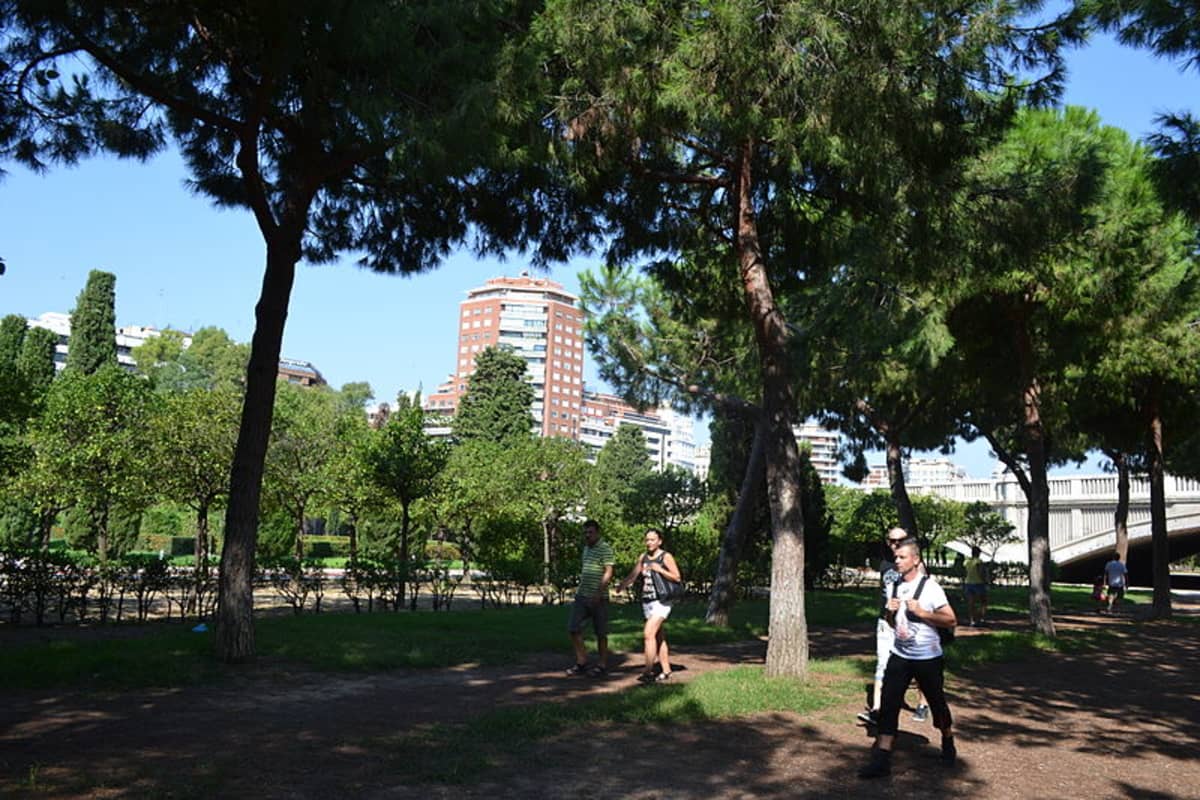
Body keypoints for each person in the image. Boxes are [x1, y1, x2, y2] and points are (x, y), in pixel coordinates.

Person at [859, 539, 958, 779]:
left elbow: (951, 620)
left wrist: (923, 612)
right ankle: (881, 760)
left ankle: (947, 739)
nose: (897, 561)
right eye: (896, 557)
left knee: (937, 703)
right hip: (900, 655)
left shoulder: (931, 588)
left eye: (902, 557)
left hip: (928, 658)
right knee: (889, 706)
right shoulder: (895, 586)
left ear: (915, 560)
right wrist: (890, 613)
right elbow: (893, 624)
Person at [858, 528, 928, 727]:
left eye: (900, 540)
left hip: (910, 623)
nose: (895, 544)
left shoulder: (916, 564)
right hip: (886, 621)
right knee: (883, 664)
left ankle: (923, 703)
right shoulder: (885, 564)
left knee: (916, 666)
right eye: (892, 540)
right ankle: (877, 710)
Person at [618, 528, 683, 683]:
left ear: (659, 541)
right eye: (647, 539)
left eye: (653, 539)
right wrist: (622, 585)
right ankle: (666, 670)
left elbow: (677, 577)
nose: (649, 542)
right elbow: (634, 574)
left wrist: (659, 569)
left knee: (648, 634)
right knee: (658, 637)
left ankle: (648, 671)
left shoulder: (666, 557)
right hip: (647, 601)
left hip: (663, 601)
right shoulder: (643, 557)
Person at [565, 519, 615, 677]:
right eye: (585, 532)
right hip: (582, 595)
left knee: (601, 633)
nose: (587, 535)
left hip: (598, 598)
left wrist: (599, 593)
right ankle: (582, 661)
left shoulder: (605, 548)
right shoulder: (586, 548)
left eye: (590, 532)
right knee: (573, 628)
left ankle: (602, 665)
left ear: (597, 532)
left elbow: (608, 572)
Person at [963, 545, 988, 626]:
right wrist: (985, 580)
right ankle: (982, 618)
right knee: (983, 601)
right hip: (978, 583)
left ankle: (972, 620)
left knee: (971, 603)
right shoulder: (979, 561)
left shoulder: (967, 562)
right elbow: (981, 573)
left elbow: (965, 573)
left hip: (968, 583)